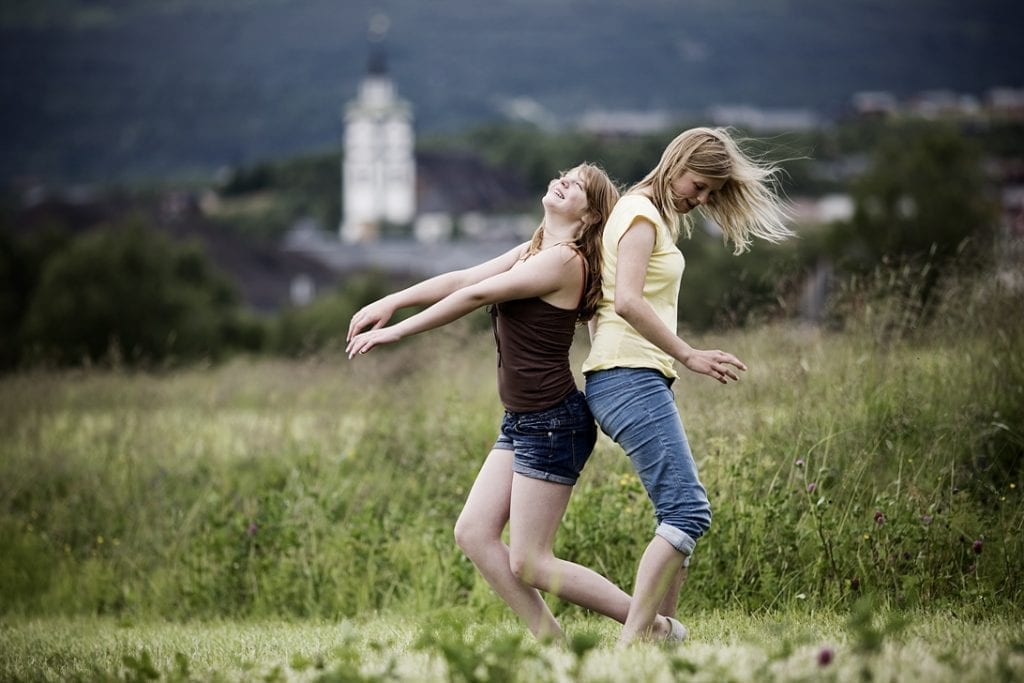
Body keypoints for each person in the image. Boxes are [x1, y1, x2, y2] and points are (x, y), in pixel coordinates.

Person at [346, 163, 686, 644]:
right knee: (473, 534)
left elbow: (479, 292)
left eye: (578, 186)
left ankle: (652, 627)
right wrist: (394, 300)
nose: (563, 180)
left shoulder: (565, 261)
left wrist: (399, 330)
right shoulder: (534, 249)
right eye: (565, 174)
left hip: (553, 423)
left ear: (589, 216)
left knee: (531, 561)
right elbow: (464, 276)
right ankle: (554, 644)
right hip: (524, 420)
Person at [582, 127, 794, 644]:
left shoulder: (648, 215)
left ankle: (661, 640)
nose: (699, 199)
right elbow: (628, 301)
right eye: (698, 185)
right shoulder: (640, 216)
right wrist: (688, 354)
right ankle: (634, 644)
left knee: (674, 511)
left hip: (630, 373)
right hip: (629, 377)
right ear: (675, 162)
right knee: (688, 510)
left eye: (710, 194)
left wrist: (611, 356)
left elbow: (603, 305)